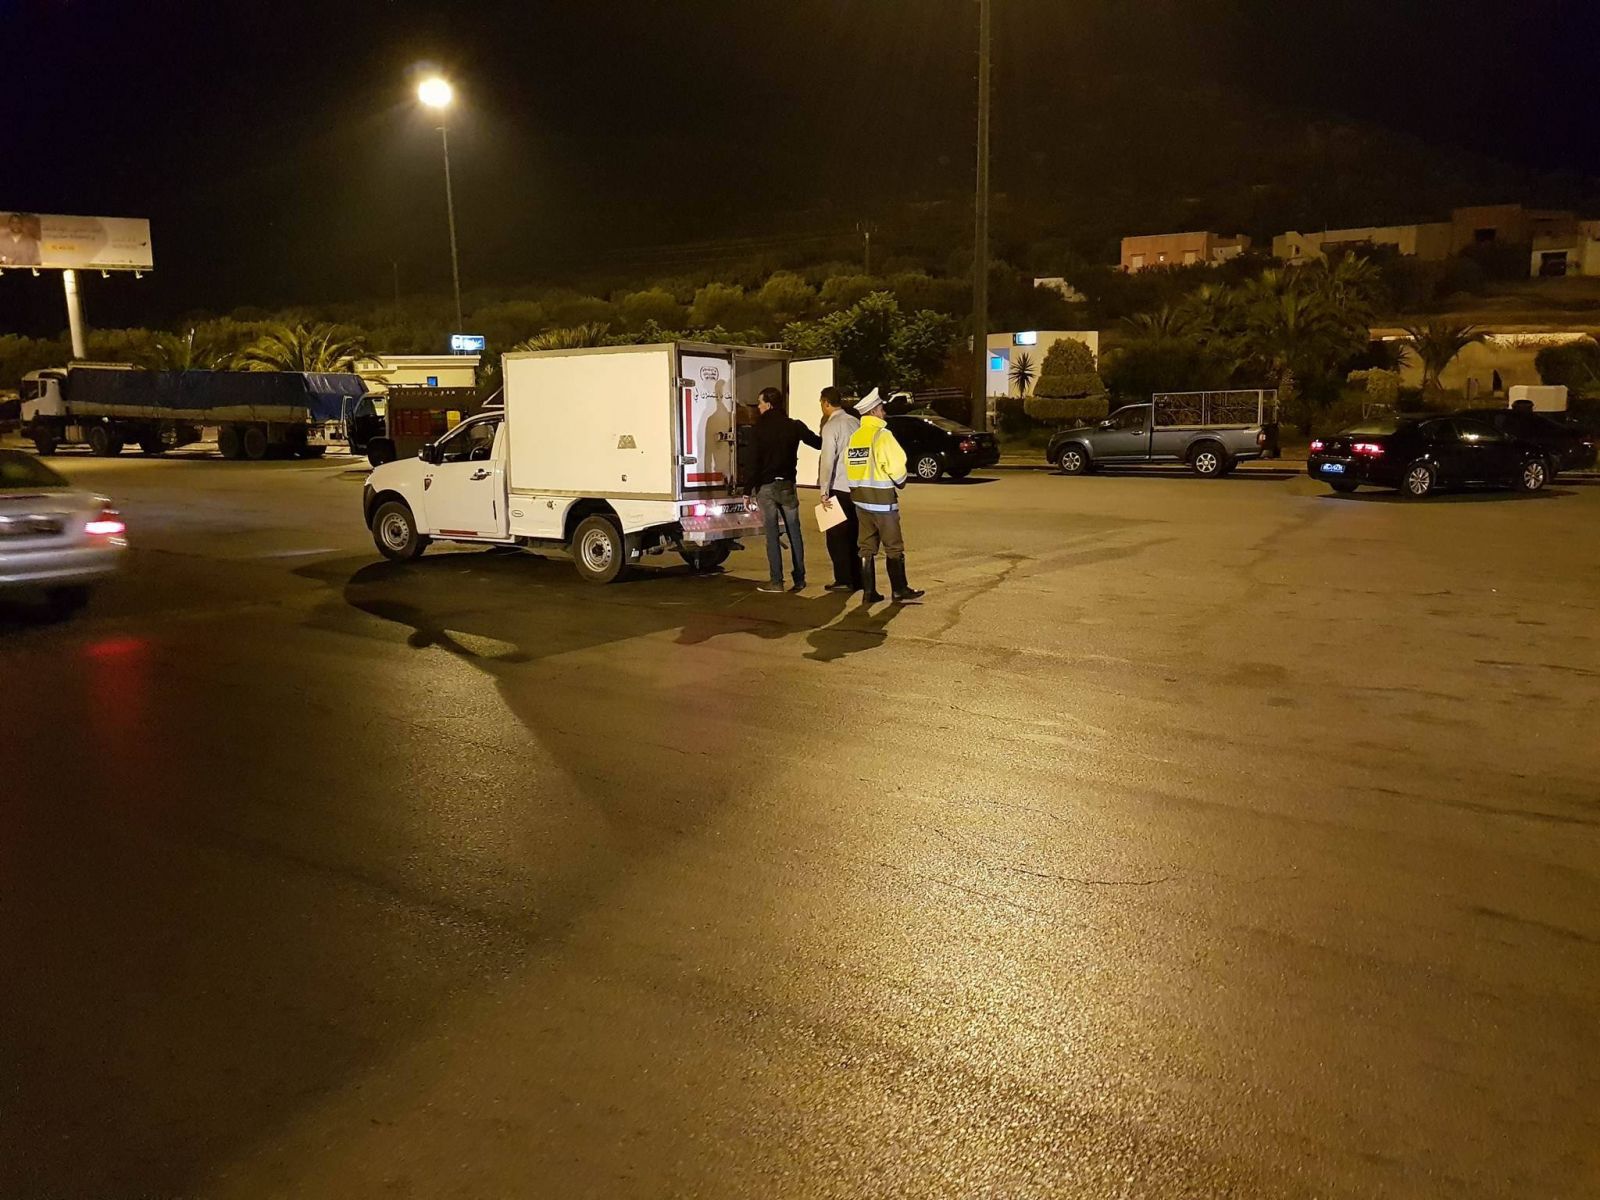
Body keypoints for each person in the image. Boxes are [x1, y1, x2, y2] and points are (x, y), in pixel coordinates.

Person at [845, 388, 925, 603]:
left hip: (860, 501)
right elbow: (897, 466)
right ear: (873, 412)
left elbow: (849, 466)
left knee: (866, 547)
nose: (884, 413)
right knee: (893, 546)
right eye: (881, 409)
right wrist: (901, 481)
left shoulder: (855, 437)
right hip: (882, 503)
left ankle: (869, 592)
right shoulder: (882, 435)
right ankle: (899, 589)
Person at [750, 385, 821, 593]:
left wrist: (747, 490)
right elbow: (818, 443)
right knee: (794, 532)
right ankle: (799, 578)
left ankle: (776, 581)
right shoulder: (794, 426)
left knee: (772, 535)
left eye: (760, 403)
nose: (758, 407)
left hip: (766, 487)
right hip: (787, 485)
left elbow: (753, 462)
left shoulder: (758, 429)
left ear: (768, 404)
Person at [816, 386, 862, 592]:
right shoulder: (855, 422)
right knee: (855, 535)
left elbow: (827, 460)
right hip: (857, 487)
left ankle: (843, 579)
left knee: (836, 537)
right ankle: (858, 578)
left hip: (838, 487)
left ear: (826, 402)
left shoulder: (831, 426)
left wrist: (823, 490)